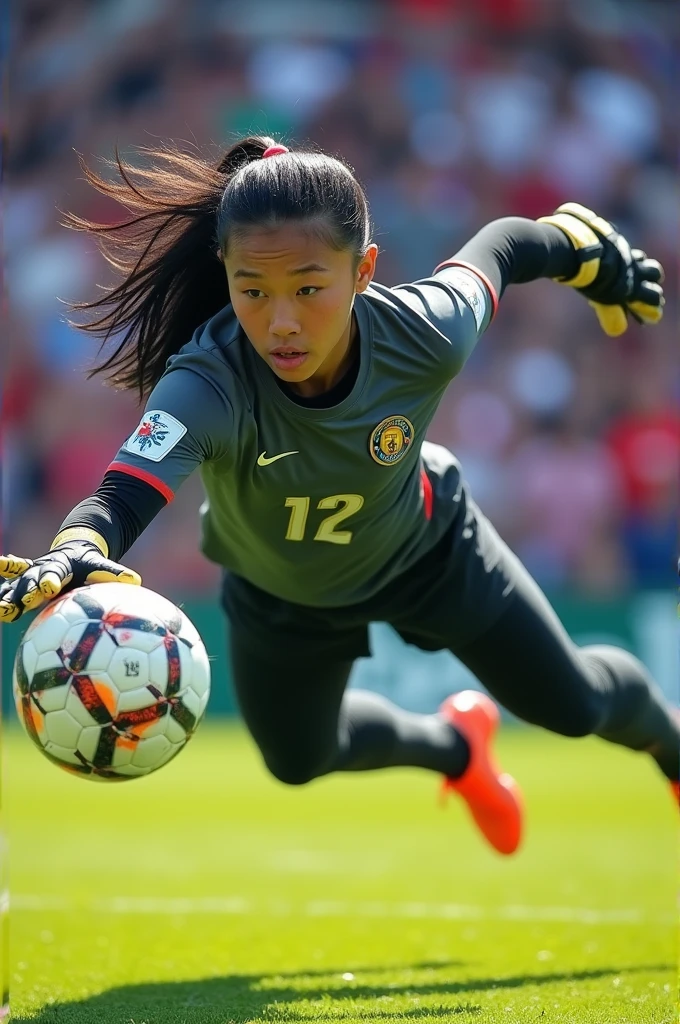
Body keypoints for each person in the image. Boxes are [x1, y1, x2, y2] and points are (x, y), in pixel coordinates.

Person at [1, 136, 676, 855]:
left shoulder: (425, 332)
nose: (281, 320)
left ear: (364, 272)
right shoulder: (206, 383)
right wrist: (77, 546)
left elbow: (503, 249)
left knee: (574, 708)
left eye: (309, 286)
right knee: (299, 762)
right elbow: (122, 494)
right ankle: (458, 749)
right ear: (224, 274)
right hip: (281, 597)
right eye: (252, 290)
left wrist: (580, 250)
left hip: (432, 556)